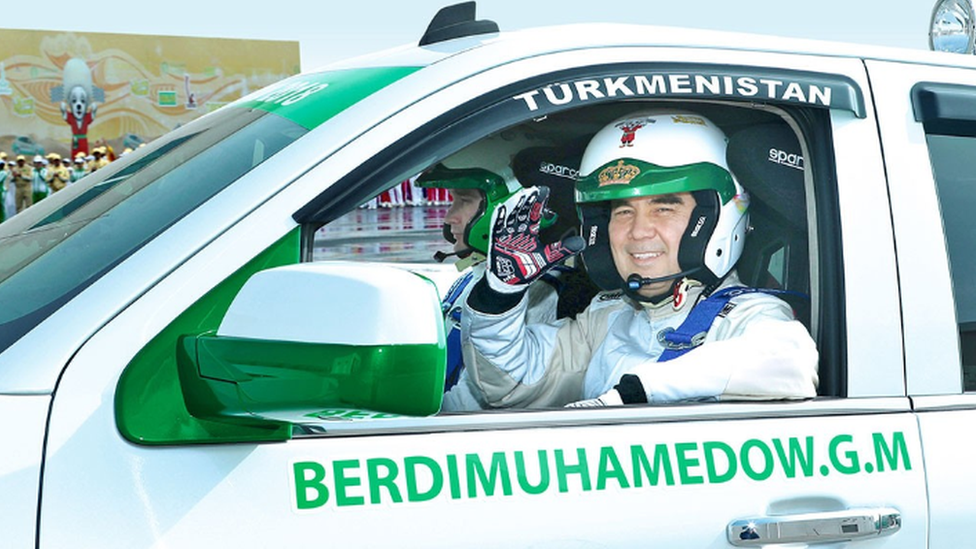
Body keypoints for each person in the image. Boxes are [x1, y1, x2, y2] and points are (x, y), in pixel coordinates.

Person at [460, 111, 819, 408]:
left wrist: (633, 394)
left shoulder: (746, 314)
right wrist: (498, 297)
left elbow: (788, 361)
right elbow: (509, 385)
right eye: (622, 211)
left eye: (665, 207)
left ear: (713, 220)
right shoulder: (607, 316)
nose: (638, 232)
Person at [416, 133, 596, 411]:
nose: (449, 216)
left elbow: (473, 402)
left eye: (463, 201)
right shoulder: (477, 273)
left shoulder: (537, 291)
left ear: (512, 203)